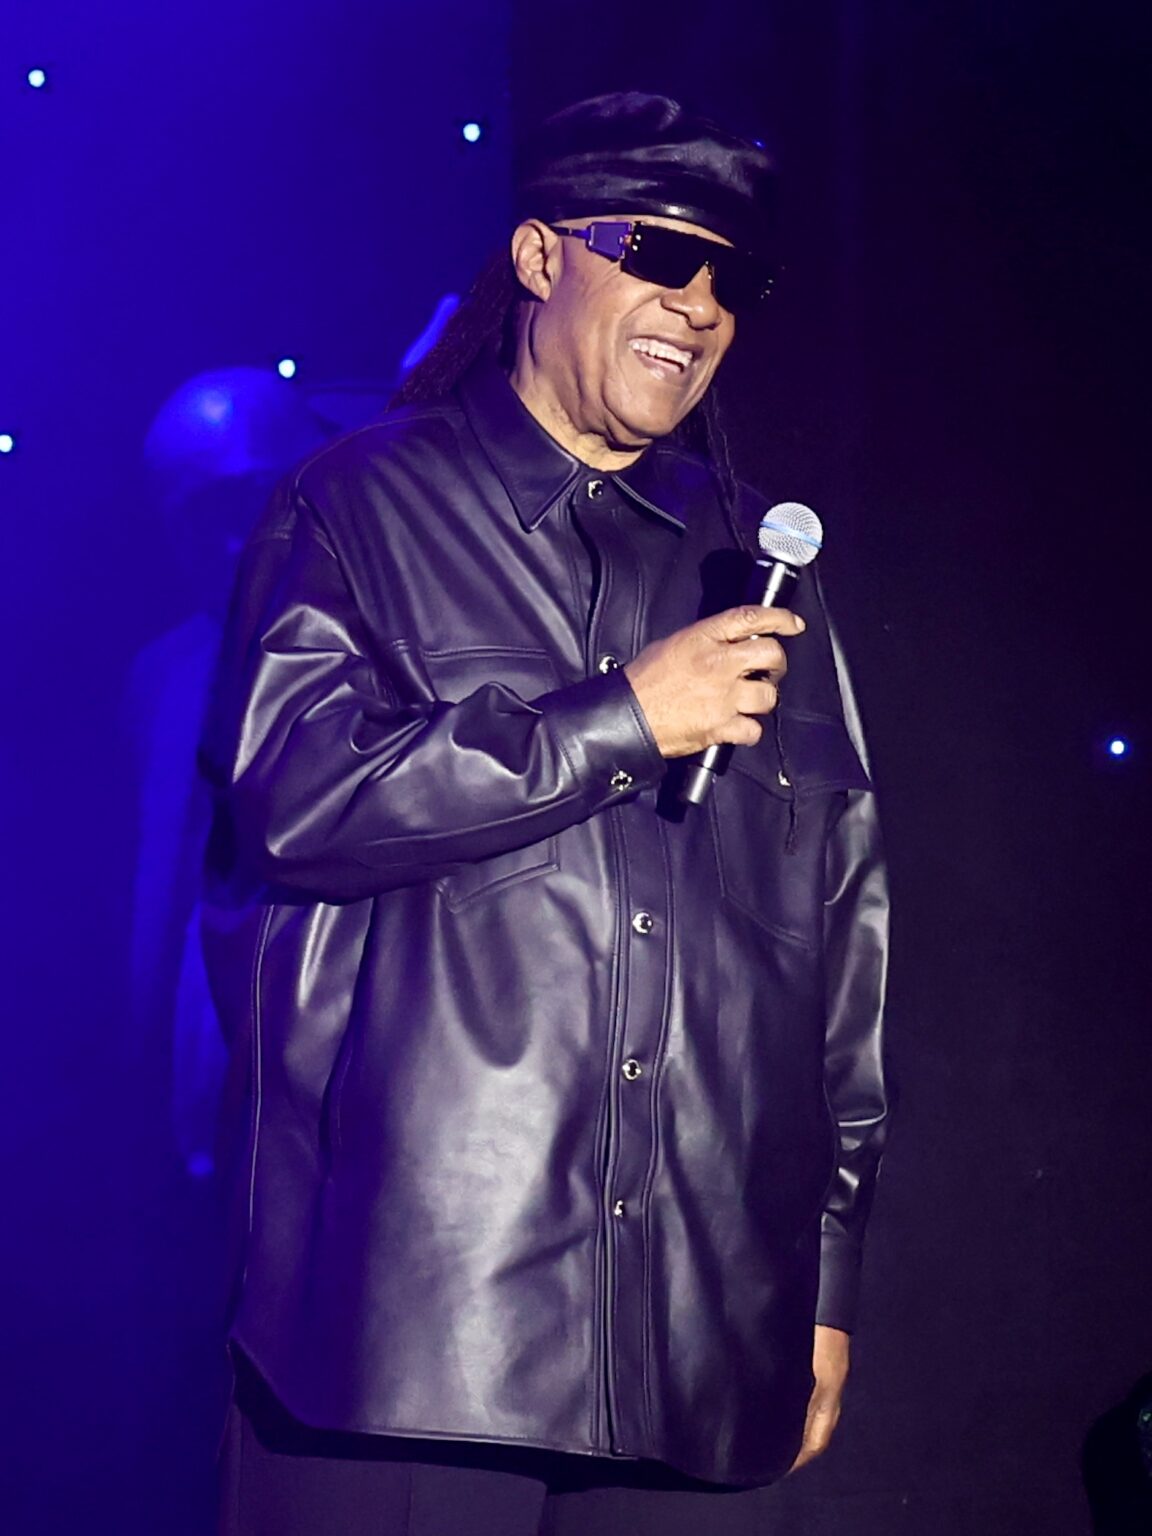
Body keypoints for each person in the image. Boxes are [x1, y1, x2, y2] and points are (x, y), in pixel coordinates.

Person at [202, 91, 889, 1535]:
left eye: (733, 279)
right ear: (536, 257)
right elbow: (294, 804)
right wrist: (620, 718)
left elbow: (839, 932)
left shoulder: (755, 568)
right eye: (656, 251)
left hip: (708, 1333)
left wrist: (825, 1274)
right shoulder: (354, 508)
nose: (696, 305)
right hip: (413, 1326)